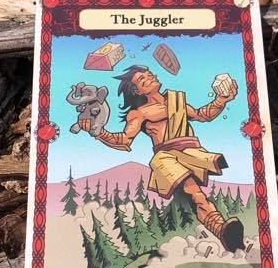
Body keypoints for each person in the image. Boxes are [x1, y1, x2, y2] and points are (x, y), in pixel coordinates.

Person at [77, 65, 244, 252]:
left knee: (196, 192)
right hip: (166, 158)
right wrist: (99, 132)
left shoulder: (176, 99)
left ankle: (227, 237)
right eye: (142, 79)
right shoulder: (138, 113)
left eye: (149, 74)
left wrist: (221, 100)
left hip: (190, 151)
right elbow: (124, 141)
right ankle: (222, 229)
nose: (149, 77)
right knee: (194, 191)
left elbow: (202, 115)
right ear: (137, 90)